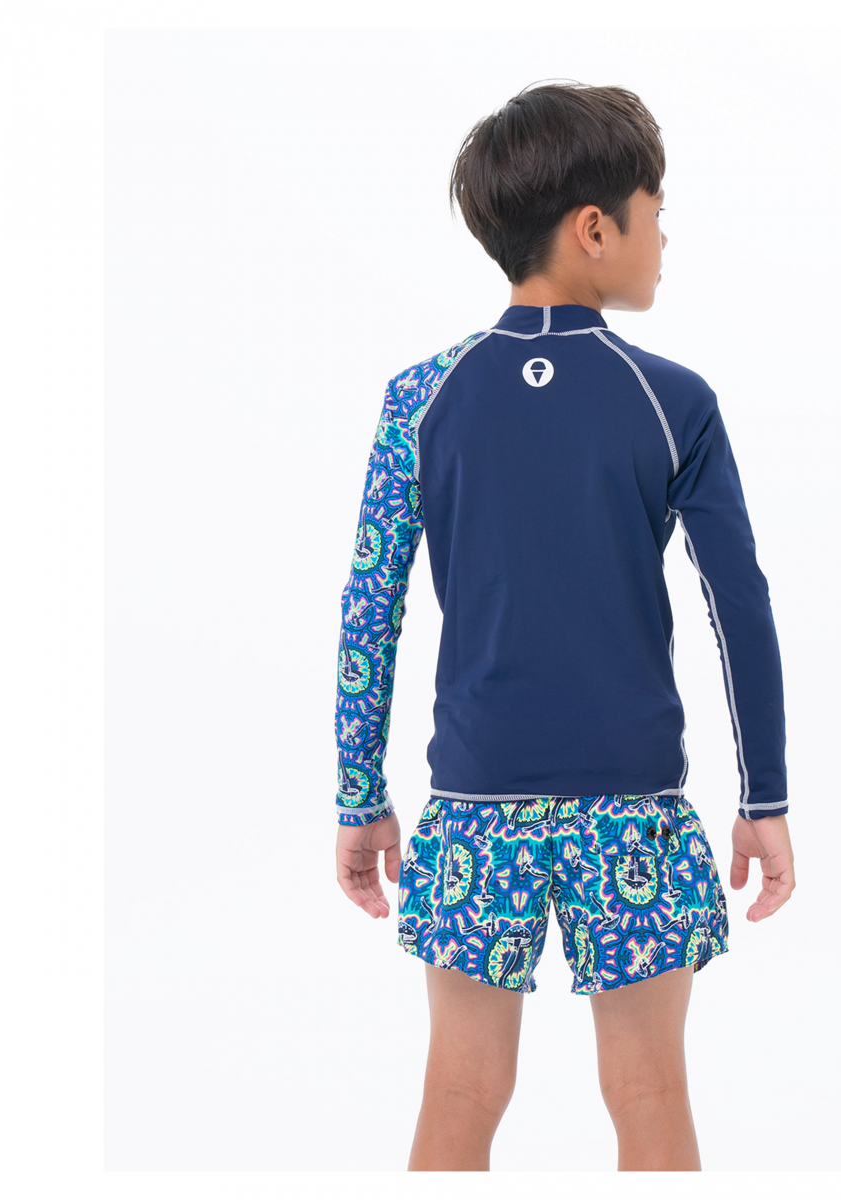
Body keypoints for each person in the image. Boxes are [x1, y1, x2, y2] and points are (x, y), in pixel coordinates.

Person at [332, 81, 795, 1172]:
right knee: (650, 1090)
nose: (665, 237)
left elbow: (370, 609)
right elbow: (740, 606)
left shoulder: (421, 398)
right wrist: (764, 799)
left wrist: (360, 795)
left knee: (460, 1089)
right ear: (596, 227)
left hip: (473, 811)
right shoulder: (671, 400)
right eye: (656, 212)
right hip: (632, 814)